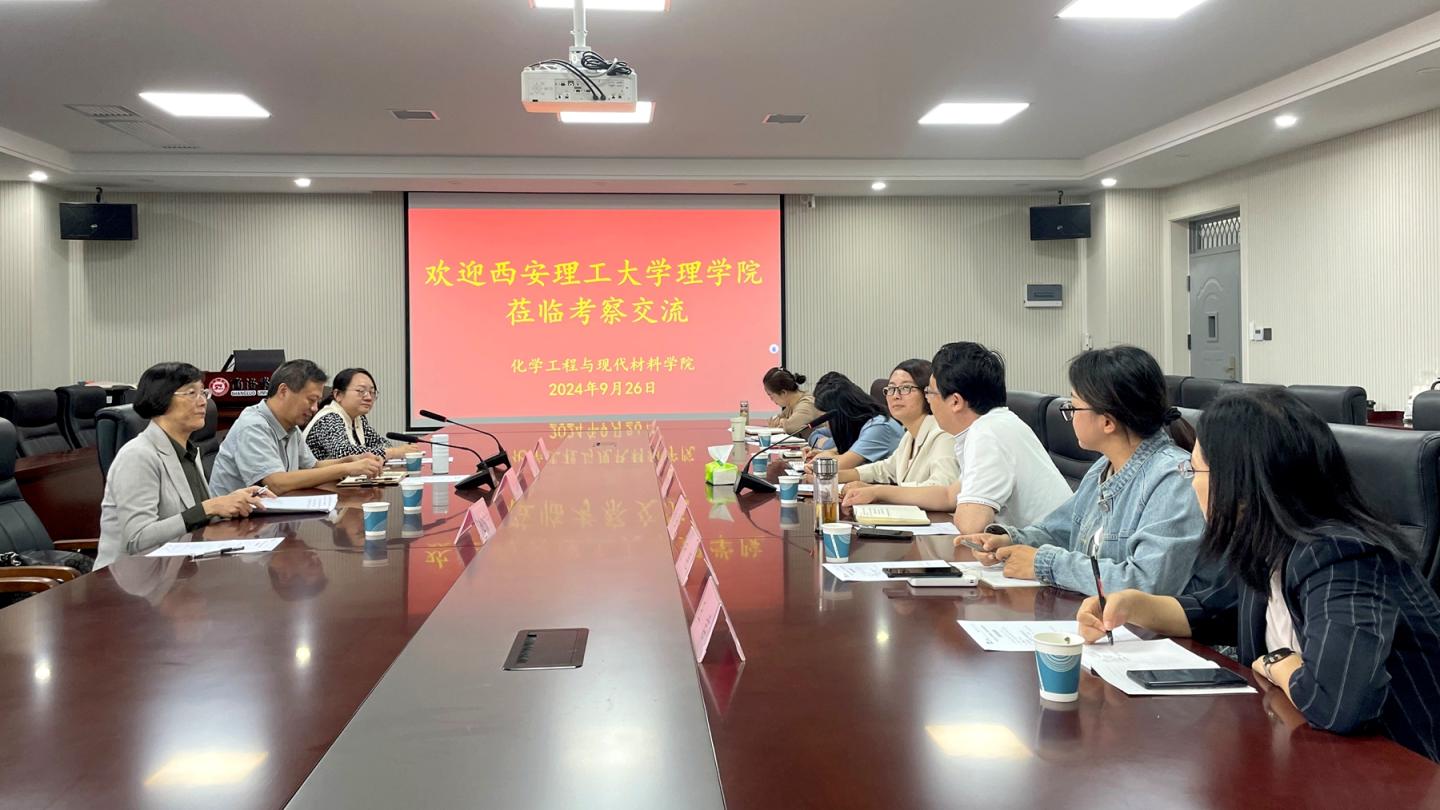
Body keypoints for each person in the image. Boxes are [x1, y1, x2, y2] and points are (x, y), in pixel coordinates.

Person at [1077, 389, 1440, 762]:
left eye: (1195, 471)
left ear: (1241, 485)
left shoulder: (1341, 555)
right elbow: (1215, 611)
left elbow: (1338, 704)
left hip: (1404, 769)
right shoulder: (1268, 544)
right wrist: (1131, 606)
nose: (1190, 483)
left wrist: (1278, 663)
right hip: (1313, 754)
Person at [959, 346, 1205, 595]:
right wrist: (1010, 540)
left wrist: (1044, 564)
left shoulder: (1174, 479)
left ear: (1107, 422)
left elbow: (1145, 582)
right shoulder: (1104, 467)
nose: (1070, 417)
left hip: (1133, 621)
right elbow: (1059, 530)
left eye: (1073, 408)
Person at [846, 342, 1071, 533]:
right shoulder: (994, 424)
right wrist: (877, 492)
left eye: (930, 393)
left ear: (955, 401)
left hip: (1046, 558)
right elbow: (948, 495)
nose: (928, 400)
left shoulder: (988, 433)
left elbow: (971, 525)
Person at [97, 362, 266, 568]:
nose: (203, 402)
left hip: (178, 569)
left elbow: (197, 516)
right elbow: (136, 539)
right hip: (131, 578)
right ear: (161, 398)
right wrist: (209, 507)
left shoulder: (188, 450)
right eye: (191, 393)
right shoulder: (138, 455)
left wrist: (234, 501)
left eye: (203, 393)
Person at [209, 359, 384, 496]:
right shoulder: (253, 425)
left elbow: (312, 466)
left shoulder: (290, 425)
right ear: (283, 391)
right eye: (311, 400)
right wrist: (346, 469)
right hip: (232, 523)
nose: (315, 408)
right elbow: (275, 483)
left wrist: (348, 461)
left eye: (317, 401)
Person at [835, 359, 958, 501]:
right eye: (891, 388)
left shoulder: (944, 435)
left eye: (906, 388)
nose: (895, 396)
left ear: (927, 393)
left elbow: (943, 488)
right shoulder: (909, 434)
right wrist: (834, 476)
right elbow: (885, 469)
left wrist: (877, 492)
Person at [304, 368, 419, 461]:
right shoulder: (329, 418)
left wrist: (390, 451)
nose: (368, 397)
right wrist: (392, 453)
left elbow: (381, 443)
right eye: (361, 391)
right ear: (338, 395)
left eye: (372, 392)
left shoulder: (358, 418)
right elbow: (343, 453)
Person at [809, 373, 904, 470]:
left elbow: (841, 466)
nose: (828, 424)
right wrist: (829, 453)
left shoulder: (879, 427)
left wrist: (826, 457)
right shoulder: (864, 424)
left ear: (840, 415)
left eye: (828, 418)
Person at [763, 367, 823, 439]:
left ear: (783, 392)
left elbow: (790, 427)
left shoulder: (807, 404)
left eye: (771, 396)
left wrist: (782, 421)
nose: (771, 400)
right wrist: (782, 421)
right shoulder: (791, 405)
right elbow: (774, 421)